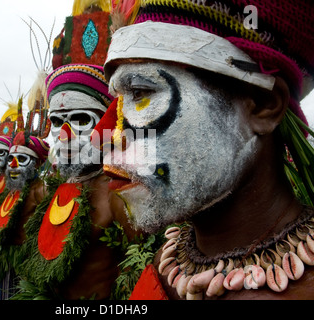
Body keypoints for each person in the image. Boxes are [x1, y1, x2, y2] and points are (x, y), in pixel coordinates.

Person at [91, 0, 314, 299]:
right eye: (119, 97)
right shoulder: (167, 262)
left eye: (141, 92)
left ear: (262, 106)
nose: (102, 136)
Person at [19, 0, 142, 300]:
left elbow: (140, 276)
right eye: (57, 121)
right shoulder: (53, 189)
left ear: (111, 122)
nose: (65, 135)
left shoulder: (120, 195)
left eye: (82, 120)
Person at [0, 97, 49, 300]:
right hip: (3, 258)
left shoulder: (41, 191)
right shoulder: (11, 190)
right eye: (10, 159)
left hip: (25, 261)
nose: (12, 165)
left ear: (37, 164)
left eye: (21, 159)